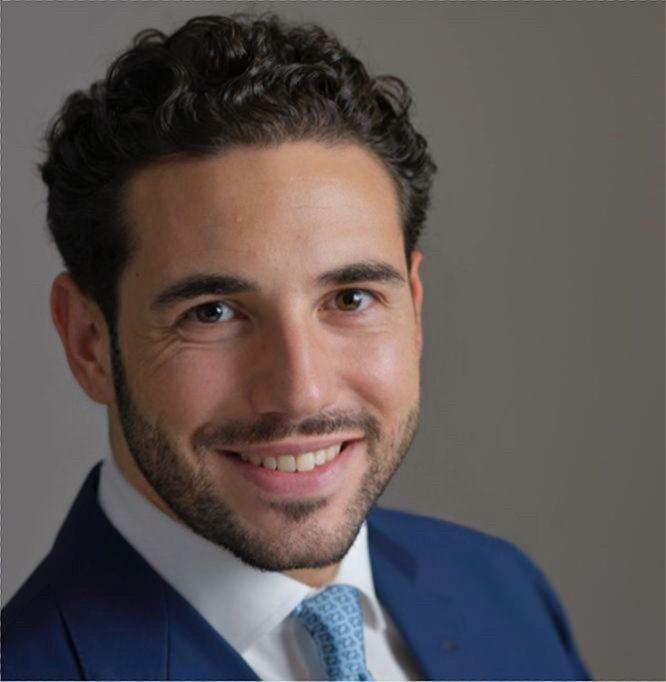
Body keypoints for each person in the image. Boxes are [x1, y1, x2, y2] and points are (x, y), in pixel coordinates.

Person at [1, 13, 590, 681]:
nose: (301, 392)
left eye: (351, 299)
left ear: (414, 308)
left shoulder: (505, 594)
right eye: (212, 312)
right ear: (88, 343)